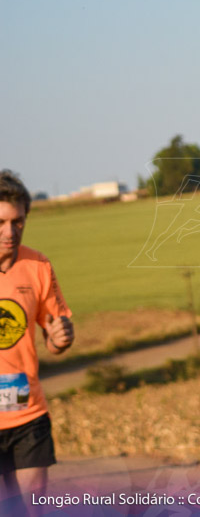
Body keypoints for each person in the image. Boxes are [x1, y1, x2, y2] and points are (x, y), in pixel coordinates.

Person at [0, 171, 74, 516]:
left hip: (27, 415)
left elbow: (55, 338)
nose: (9, 232)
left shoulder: (38, 265)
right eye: (1, 222)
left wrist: (61, 339)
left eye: (18, 222)